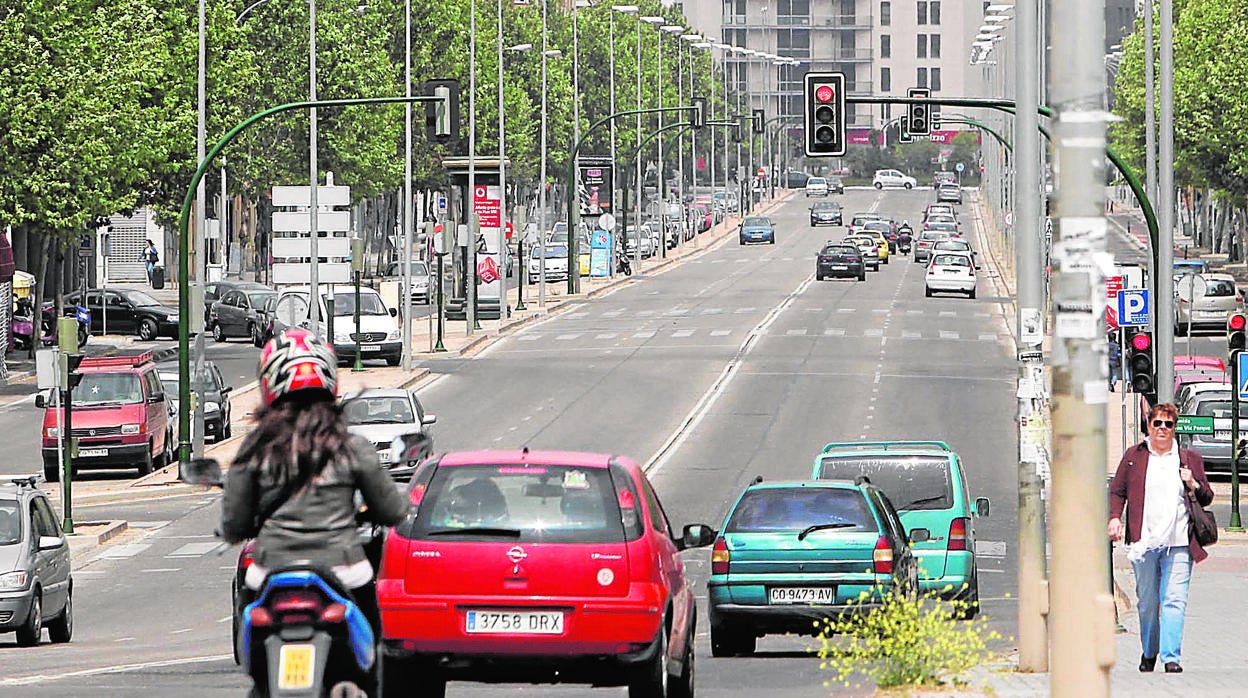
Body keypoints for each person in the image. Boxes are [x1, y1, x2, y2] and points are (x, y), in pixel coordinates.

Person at [220, 328, 411, 640]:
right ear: (330, 382)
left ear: (268, 384)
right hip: (343, 565)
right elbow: (390, 510)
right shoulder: (351, 446)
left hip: (271, 568)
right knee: (374, 644)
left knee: (250, 633)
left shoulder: (254, 448)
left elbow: (234, 522)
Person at [1108, 402, 1214, 675]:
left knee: (1174, 600)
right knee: (1148, 601)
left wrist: (1193, 483)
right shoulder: (1135, 456)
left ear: (1175, 428)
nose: (1163, 429)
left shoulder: (1189, 459)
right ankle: (1149, 651)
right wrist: (1114, 518)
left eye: (1169, 424)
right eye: (1158, 424)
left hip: (1179, 542)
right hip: (1144, 543)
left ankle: (1171, 657)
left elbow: (1207, 496)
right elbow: (1117, 491)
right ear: (1149, 426)